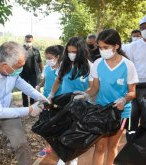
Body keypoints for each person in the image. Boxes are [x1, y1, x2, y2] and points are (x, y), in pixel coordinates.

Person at [0, 41, 49, 165]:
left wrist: (39, 96)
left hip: (7, 109)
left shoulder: (11, 68)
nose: (20, 70)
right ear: (4, 65)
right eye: (18, 67)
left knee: (21, 144)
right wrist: (30, 110)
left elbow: (19, 82)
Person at [74, 29, 139, 165]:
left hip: (120, 112)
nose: (102, 50)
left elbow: (132, 93)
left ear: (116, 46)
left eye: (106, 47)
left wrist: (124, 100)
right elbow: (95, 88)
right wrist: (86, 95)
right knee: (100, 146)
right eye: (100, 47)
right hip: (101, 111)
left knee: (112, 146)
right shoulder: (98, 63)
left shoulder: (128, 65)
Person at [48, 37, 93, 165]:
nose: (71, 54)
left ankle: (73, 158)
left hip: (81, 104)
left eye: (74, 51)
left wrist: (85, 94)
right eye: (69, 51)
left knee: (75, 133)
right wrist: (51, 94)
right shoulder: (65, 64)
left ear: (81, 51)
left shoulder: (90, 66)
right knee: (62, 130)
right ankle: (62, 158)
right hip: (65, 103)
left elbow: (93, 86)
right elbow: (58, 80)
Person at [35, 45, 64, 157]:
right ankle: (47, 147)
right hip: (45, 99)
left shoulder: (62, 69)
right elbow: (46, 80)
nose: (48, 60)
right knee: (45, 123)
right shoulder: (47, 67)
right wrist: (39, 85)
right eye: (46, 57)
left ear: (57, 57)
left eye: (50, 57)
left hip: (58, 100)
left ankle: (60, 146)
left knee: (58, 124)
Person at [20, 34, 44, 107]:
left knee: (33, 90)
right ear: (25, 40)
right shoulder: (20, 50)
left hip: (33, 73)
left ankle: (32, 105)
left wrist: (42, 72)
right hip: (23, 73)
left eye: (29, 41)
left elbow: (40, 62)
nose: (28, 42)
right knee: (24, 90)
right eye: (27, 41)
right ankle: (25, 106)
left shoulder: (35, 50)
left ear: (32, 40)